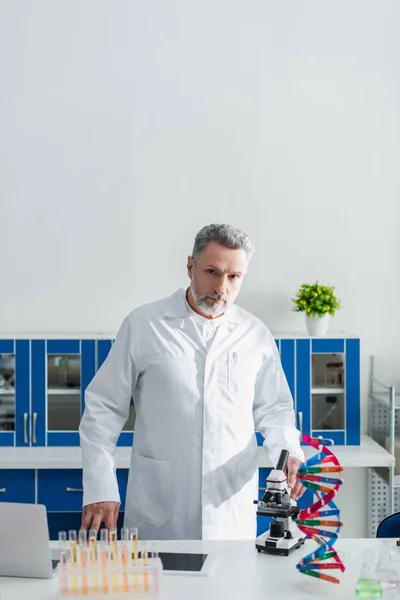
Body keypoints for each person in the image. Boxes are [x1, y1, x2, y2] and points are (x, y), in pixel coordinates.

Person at [79, 223, 305, 540]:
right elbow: (103, 408)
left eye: (233, 276)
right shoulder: (145, 324)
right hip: (161, 507)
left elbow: (275, 408)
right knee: (160, 587)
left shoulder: (255, 334)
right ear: (190, 266)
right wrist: (100, 485)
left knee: (230, 587)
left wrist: (289, 453)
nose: (221, 287)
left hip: (229, 508)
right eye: (212, 271)